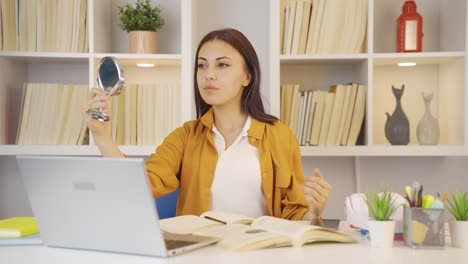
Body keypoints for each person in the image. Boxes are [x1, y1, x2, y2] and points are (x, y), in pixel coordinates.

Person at [84, 28, 331, 220]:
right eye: (202, 65)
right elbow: (139, 184)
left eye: (222, 65)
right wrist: (103, 138)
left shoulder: (280, 135)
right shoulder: (185, 136)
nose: (209, 74)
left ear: (247, 76)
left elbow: (294, 215)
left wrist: (313, 213)